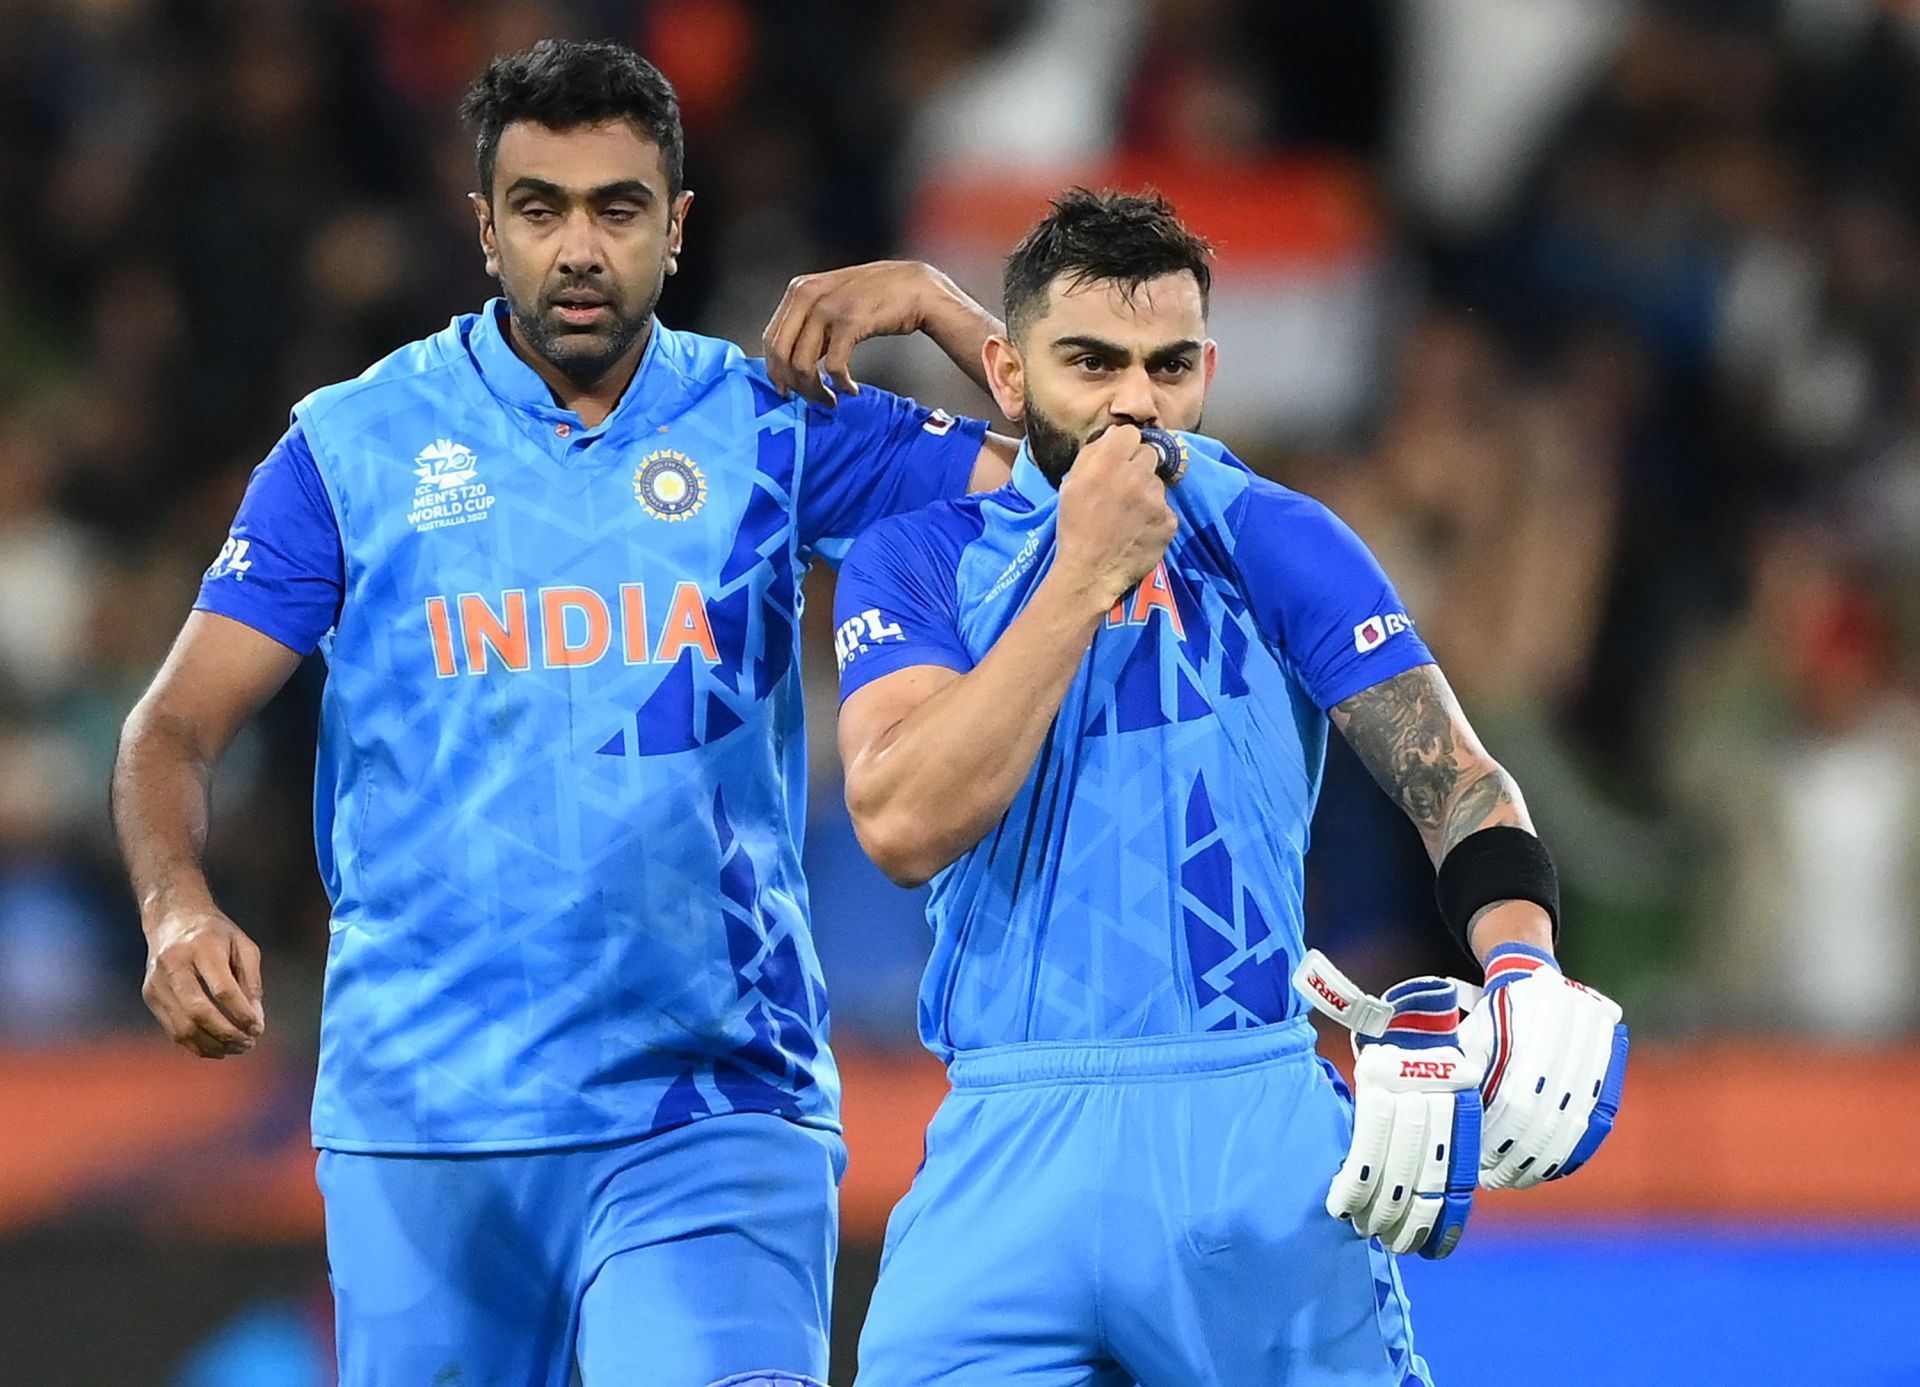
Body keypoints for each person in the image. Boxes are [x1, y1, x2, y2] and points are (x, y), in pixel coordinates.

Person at [110, 39, 1014, 1387]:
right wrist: (176, 900)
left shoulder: (775, 424)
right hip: (427, 1122)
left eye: (617, 207)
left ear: (676, 226)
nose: (578, 248)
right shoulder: (352, 448)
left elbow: (1099, 503)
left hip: (713, 1106)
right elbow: (172, 726)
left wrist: (956, 318)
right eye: (540, 209)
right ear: (484, 229)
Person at [831, 188, 1627, 1385]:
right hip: (1004, 1142)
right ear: (1006, 371)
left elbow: (1455, 781)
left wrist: (1524, 964)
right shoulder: (922, 557)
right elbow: (897, 820)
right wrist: (1081, 574)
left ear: (1208, 366)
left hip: (1248, 1128)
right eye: (1090, 362)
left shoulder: (1272, 534)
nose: (1135, 402)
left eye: (1167, 365)